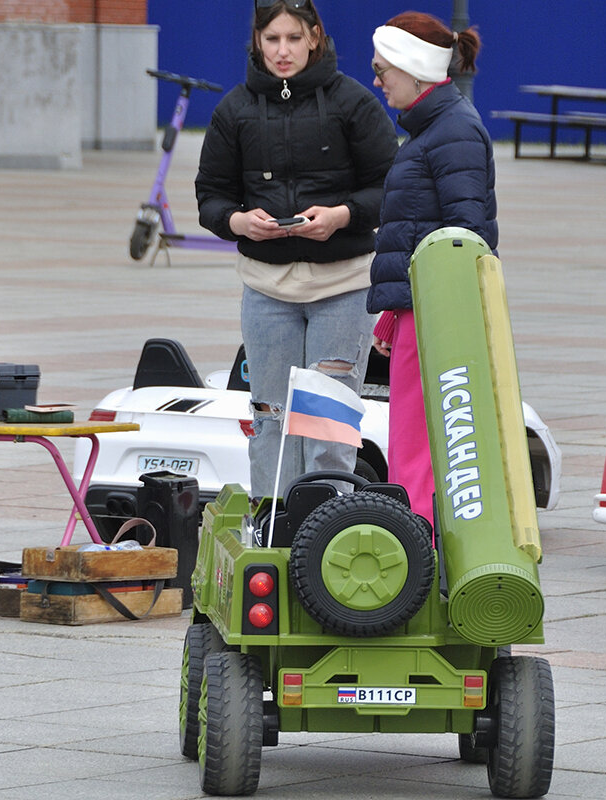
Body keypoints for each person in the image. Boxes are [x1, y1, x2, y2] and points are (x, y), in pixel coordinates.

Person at [196, 0, 398, 500]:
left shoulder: (353, 103)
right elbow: (210, 196)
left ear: (314, 37)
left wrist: (341, 216)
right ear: (257, 43)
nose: (282, 51)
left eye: (292, 38)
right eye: (271, 40)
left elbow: (389, 186)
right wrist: (239, 221)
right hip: (266, 292)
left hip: (343, 288)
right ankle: (273, 529)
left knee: (327, 425)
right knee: (270, 420)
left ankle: (324, 536)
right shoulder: (234, 109)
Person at [367, 11, 495, 524]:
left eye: (383, 70)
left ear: (415, 69)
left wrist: (415, 311)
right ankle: (416, 537)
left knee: (415, 445)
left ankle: (415, 541)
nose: (377, 80)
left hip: (437, 318)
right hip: (421, 312)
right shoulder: (438, 128)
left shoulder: (452, 131)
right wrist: (392, 312)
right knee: (411, 440)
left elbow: (466, 239)